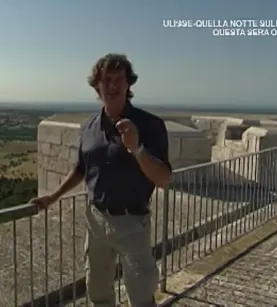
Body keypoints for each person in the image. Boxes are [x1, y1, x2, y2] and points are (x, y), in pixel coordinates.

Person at [30, 53, 172, 307]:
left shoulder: (150, 125)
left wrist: (137, 149)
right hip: (95, 222)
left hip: (132, 222)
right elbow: (81, 169)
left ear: (129, 84)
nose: (112, 85)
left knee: (141, 297)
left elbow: (163, 179)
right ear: (97, 85)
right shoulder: (89, 128)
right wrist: (52, 197)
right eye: (106, 80)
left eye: (119, 79)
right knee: (98, 294)